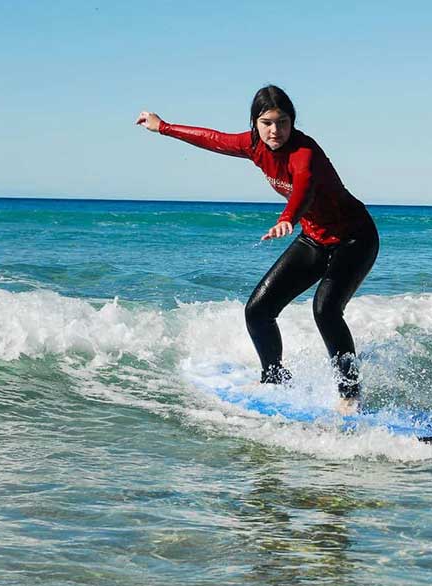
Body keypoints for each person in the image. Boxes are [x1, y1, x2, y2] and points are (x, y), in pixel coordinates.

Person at [136, 85, 378, 415]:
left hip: (355, 238)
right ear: (255, 123)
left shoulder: (305, 153)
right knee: (258, 311)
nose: (274, 130)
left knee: (325, 309)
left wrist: (287, 218)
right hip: (315, 238)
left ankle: (350, 394)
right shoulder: (253, 145)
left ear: (293, 122)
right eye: (266, 123)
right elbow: (213, 138)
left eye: (282, 122)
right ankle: (274, 377)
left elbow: (303, 188)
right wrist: (163, 127)